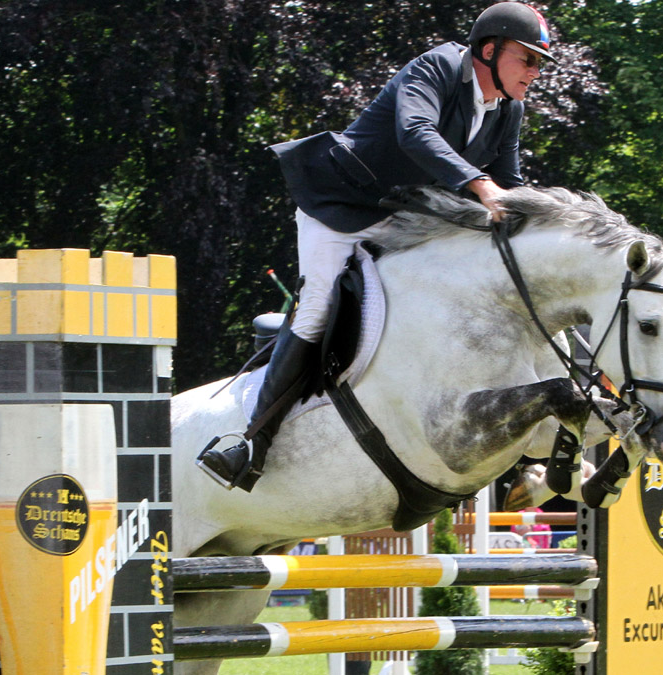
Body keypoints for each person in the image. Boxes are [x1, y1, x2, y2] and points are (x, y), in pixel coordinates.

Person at [199, 2, 557, 491]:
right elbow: (415, 132)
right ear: (489, 50)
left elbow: (510, 182)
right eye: (528, 59)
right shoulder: (436, 67)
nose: (536, 73)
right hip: (342, 207)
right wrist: (479, 183)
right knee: (318, 308)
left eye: (541, 63)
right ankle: (249, 443)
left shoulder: (507, 108)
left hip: (405, 219)